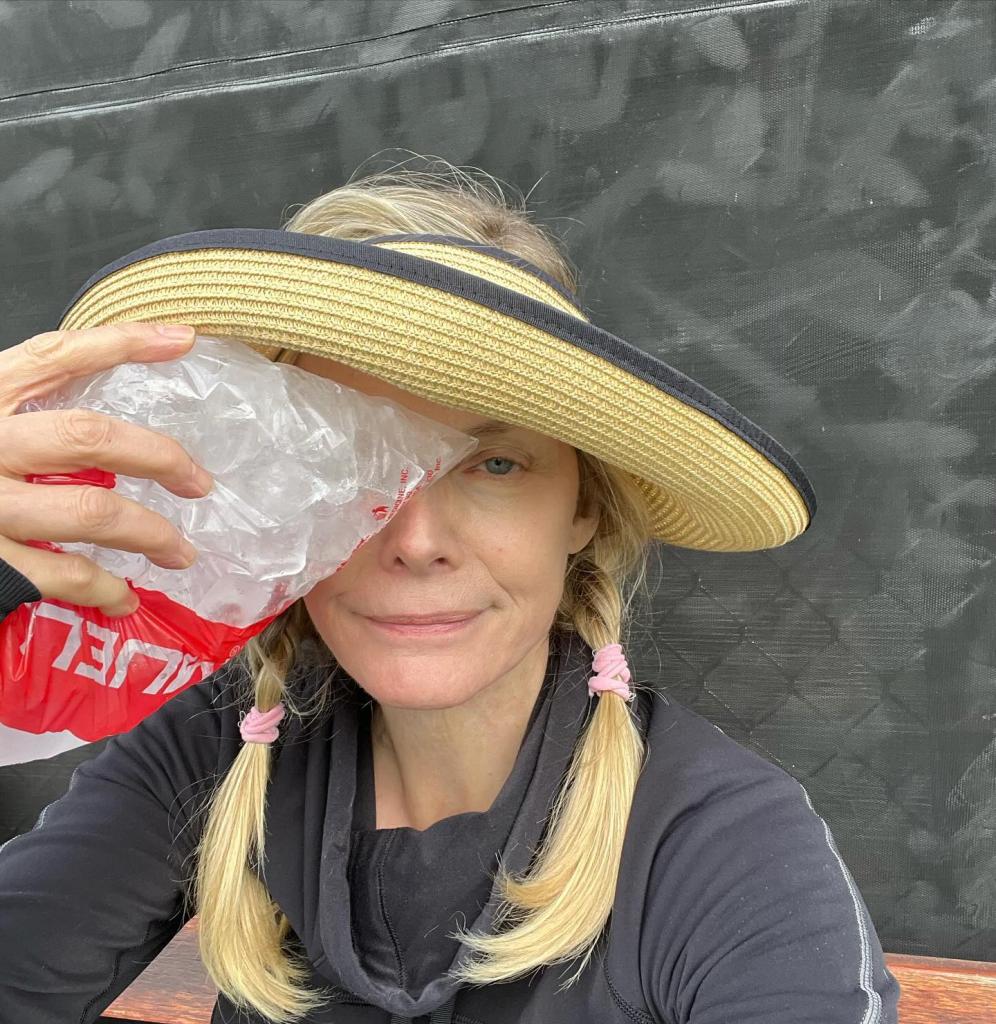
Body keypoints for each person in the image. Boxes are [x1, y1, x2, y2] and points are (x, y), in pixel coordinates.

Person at [0, 157, 901, 1023]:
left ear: (582, 510)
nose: (416, 540)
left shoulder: (721, 848)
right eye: (354, 464)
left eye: (495, 464)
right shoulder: (212, 748)